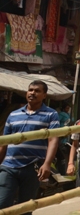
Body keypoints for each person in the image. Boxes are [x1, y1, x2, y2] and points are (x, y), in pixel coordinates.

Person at [0, 81, 60, 214]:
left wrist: (47, 164)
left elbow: (53, 140)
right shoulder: (13, 115)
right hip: (9, 166)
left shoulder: (51, 115)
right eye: (30, 90)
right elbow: (4, 143)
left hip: (32, 167)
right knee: (2, 204)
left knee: (26, 207)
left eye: (37, 91)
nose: (32, 93)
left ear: (44, 95)